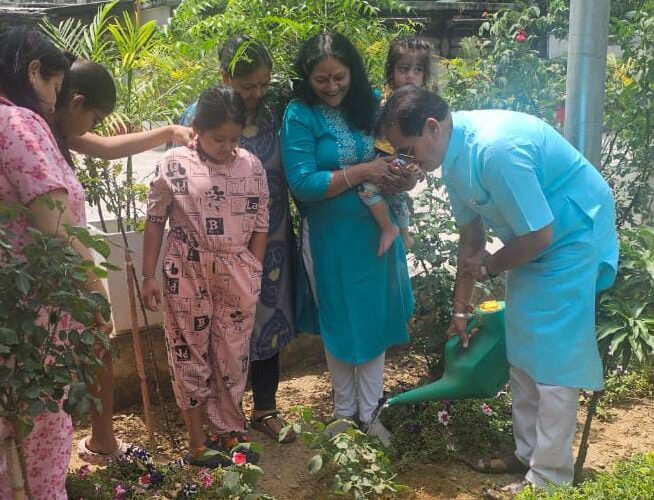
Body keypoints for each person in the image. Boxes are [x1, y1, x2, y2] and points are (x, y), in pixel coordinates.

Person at [378, 85, 619, 496]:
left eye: (407, 149)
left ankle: (549, 479)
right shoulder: (452, 158)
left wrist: (491, 265)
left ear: (432, 128)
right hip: (534, 242)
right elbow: (471, 239)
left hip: (572, 237)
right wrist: (460, 311)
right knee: (523, 352)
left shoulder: (495, 152)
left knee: (554, 364)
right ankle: (529, 455)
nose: (406, 162)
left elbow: (540, 235)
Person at [51, 57, 193, 466]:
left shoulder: (54, 128)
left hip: (71, 260)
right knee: (86, 345)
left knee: (97, 345)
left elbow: (107, 149)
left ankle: (101, 442)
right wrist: (91, 283)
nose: (94, 128)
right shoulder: (33, 130)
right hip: (59, 264)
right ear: (76, 102)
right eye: (94, 117)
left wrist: (168, 132)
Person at [280, 32, 415, 433]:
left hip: (377, 234)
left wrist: (403, 175)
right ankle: (343, 413)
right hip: (329, 239)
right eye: (322, 80)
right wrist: (363, 172)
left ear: (352, 72)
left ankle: (371, 412)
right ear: (308, 78)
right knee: (338, 319)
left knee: (372, 318)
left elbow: (394, 153)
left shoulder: (371, 104)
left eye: (339, 77)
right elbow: (303, 183)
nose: (332, 87)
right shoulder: (299, 115)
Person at [0, 27, 111, 499]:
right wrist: (96, 296)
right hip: (34, 319)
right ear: (32, 73)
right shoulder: (19, 124)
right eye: (54, 85)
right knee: (41, 435)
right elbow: (58, 225)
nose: (54, 100)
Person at [141, 85, 269, 467]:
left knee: (232, 356)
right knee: (189, 354)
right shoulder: (174, 163)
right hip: (187, 271)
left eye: (235, 138)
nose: (228, 146)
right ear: (196, 128)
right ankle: (197, 441)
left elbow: (261, 222)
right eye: (219, 138)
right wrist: (149, 275)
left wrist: (253, 269)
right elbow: (154, 220)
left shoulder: (251, 165)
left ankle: (230, 430)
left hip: (236, 273)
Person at [179, 36, 298, 443]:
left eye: (263, 84)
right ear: (225, 76)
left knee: (267, 317)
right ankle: (221, 418)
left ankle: (265, 407)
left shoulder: (273, 116)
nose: (256, 93)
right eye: (248, 85)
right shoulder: (200, 116)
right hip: (216, 249)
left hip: (271, 236)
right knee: (218, 330)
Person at [358, 36, 434, 254]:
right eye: (403, 69)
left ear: (424, 76)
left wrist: (418, 166)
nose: (410, 76)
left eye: (417, 70)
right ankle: (396, 230)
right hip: (380, 158)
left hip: (401, 161)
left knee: (388, 194)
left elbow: (423, 146)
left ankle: (399, 231)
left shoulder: (424, 108)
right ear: (392, 71)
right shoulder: (382, 102)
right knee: (380, 192)